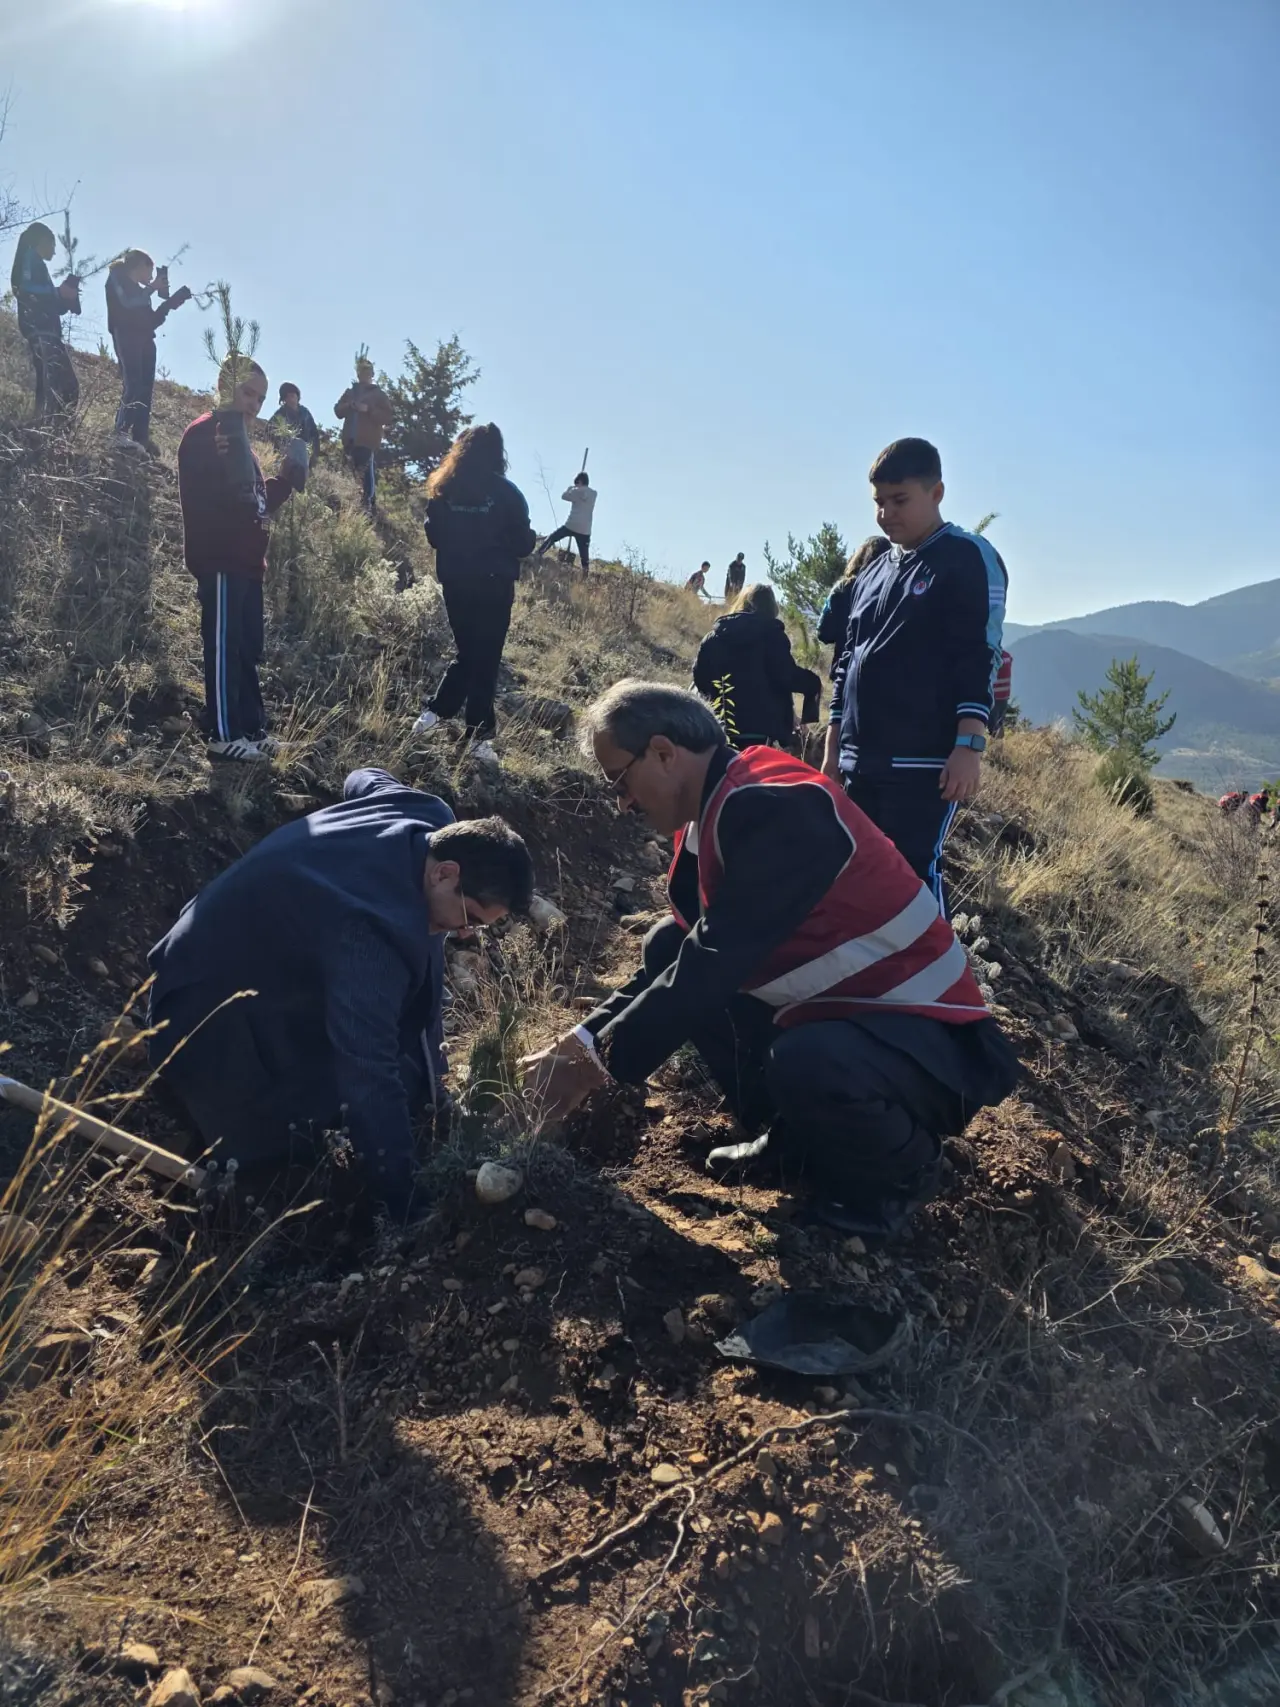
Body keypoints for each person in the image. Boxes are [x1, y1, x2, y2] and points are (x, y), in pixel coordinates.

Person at [520, 682, 1019, 1242]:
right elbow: (677, 963)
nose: (623, 802)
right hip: (858, 1021)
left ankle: (901, 1174)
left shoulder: (773, 806)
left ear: (663, 752)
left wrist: (597, 1068)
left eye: (621, 780)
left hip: (930, 1050)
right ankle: (793, 1139)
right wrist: (578, 1043)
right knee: (666, 944)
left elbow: (714, 962)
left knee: (805, 1058)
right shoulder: (714, 814)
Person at [148, 767, 534, 1225]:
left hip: (260, 963)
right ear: (446, 872)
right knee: (285, 1154)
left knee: (405, 1058)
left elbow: (362, 777)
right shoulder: (371, 933)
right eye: (469, 914)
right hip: (204, 1014)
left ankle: (423, 1106)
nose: (467, 932)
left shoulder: (427, 814)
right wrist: (405, 1201)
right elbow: (367, 1066)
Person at [823, 439, 1007, 914]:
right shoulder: (873, 571)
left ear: (937, 492)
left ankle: (931, 987)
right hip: (858, 761)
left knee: (910, 877)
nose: (885, 514)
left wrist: (969, 746)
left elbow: (978, 653)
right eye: (878, 503)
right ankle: (869, 985)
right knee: (857, 874)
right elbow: (848, 661)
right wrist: (831, 750)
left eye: (899, 500)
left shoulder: (965, 556)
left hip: (922, 763)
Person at [177, 354, 304, 762]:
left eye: (261, 398)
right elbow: (218, 490)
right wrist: (221, 454)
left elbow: (254, 501)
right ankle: (222, 732)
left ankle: (252, 728)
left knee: (248, 648)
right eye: (247, 392)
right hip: (220, 557)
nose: (253, 403)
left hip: (248, 564)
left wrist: (284, 482)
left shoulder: (242, 445)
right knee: (224, 644)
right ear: (223, 383)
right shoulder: (205, 433)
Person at [413, 423, 536, 761]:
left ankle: (433, 716)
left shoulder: (444, 489)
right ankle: (478, 738)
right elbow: (523, 544)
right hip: (494, 583)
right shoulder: (507, 493)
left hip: (455, 582)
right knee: (486, 657)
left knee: (469, 653)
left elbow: (434, 536)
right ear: (498, 453)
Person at [692, 583, 821, 748]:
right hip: (762, 729)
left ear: (743, 603)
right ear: (772, 608)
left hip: (721, 726)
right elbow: (787, 676)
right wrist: (813, 685)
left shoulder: (714, 637)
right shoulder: (773, 636)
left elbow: (700, 678)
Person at [105, 249, 193, 449]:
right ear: (139, 266)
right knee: (133, 384)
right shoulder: (117, 278)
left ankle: (139, 437)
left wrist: (170, 303)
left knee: (145, 389)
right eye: (150, 271)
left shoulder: (140, 290)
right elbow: (127, 303)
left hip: (145, 340)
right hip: (126, 336)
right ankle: (120, 433)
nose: (152, 277)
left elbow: (150, 321)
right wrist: (152, 288)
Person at [10, 222, 80, 417]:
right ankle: (44, 430)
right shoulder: (30, 257)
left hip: (48, 332)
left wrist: (66, 299)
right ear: (42, 241)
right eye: (53, 245)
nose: (55, 252)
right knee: (54, 386)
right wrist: (58, 292)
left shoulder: (36, 263)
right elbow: (24, 289)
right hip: (41, 332)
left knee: (64, 386)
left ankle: (53, 431)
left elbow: (49, 302)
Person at [817, 536, 891, 677]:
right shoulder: (894, 587)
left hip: (845, 671)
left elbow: (823, 632)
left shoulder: (842, 588)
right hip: (884, 673)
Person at [334, 355, 394, 514]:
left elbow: (388, 417)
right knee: (350, 473)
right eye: (361, 372)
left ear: (372, 374)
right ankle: (351, 505)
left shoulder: (379, 394)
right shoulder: (350, 392)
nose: (364, 375)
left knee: (366, 474)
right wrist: (350, 405)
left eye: (367, 372)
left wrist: (369, 410)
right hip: (349, 440)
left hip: (367, 441)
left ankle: (368, 505)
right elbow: (337, 410)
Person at [535, 471, 596, 574]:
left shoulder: (575, 492)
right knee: (584, 555)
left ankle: (539, 553)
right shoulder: (594, 494)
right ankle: (585, 574)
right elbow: (585, 493)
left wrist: (570, 488)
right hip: (585, 529)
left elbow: (564, 496)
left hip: (571, 524)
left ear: (579, 482)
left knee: (552, 537)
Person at [269, 382, 322, 467]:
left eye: (292, 396)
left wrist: (315, 454)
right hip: (286, 458)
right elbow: (269, 431)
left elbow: (314, 433)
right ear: (283, 399)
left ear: (297, 396)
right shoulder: (280, 414)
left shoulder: (305, 413)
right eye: (287, 397)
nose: (290, 399)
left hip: (305, 455)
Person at [990, 649, 1014, 736]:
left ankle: (995, 746)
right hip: (1004, 696)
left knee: (992, 725)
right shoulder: (1008, 656)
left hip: (994, 697)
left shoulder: (993, 657)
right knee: (1000, 722)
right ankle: (999, 745)